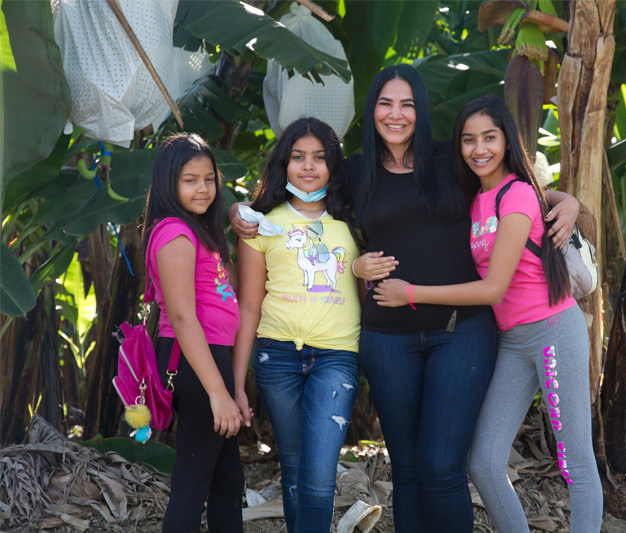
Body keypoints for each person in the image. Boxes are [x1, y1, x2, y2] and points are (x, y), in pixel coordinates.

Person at [231, 66, 577, 532]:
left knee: (441, 465)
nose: (396, 115)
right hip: (387, 339)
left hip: (461, 330)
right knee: (408, 467)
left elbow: (515, 187)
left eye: (407, 104)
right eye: (386, 103)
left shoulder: (449, 160)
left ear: (422, 110)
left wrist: (567, 200)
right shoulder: (354, 172)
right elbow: (294, 192)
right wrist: (239, 211)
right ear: (373, 109)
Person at [372, 95, 603, 533]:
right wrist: (564, 197)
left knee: (574, 458)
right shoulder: (474, 198)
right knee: (484, 460)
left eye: (490, 138)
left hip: (553, 330)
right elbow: (544, 193)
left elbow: (493, 287)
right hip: (510, 341)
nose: (480, 149)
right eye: (469, 139)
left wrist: (412, 294)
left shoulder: (515, 194)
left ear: (508, 141)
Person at [232, 118, 361, 533]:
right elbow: (249, 308)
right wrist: (237, 383)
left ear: (333, 165)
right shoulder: (260, 224)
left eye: (319, 158)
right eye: (298, 157)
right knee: (291, 469)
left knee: (319, 475)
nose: (308, 166)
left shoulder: (354, 221)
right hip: (277, 356)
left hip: (337, 357)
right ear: (283, 164)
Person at [142, 133, 248, 533]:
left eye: (209, 179)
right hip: (195, 359)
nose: (203, 188)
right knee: (192, 485)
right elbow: (184, 319)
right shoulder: (175, 234)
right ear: (170, 183)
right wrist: (218, 393)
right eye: (190, 180)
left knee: (227, 482)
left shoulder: (200, 231)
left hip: (213, 358)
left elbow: (234, 287)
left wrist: (238, 221)